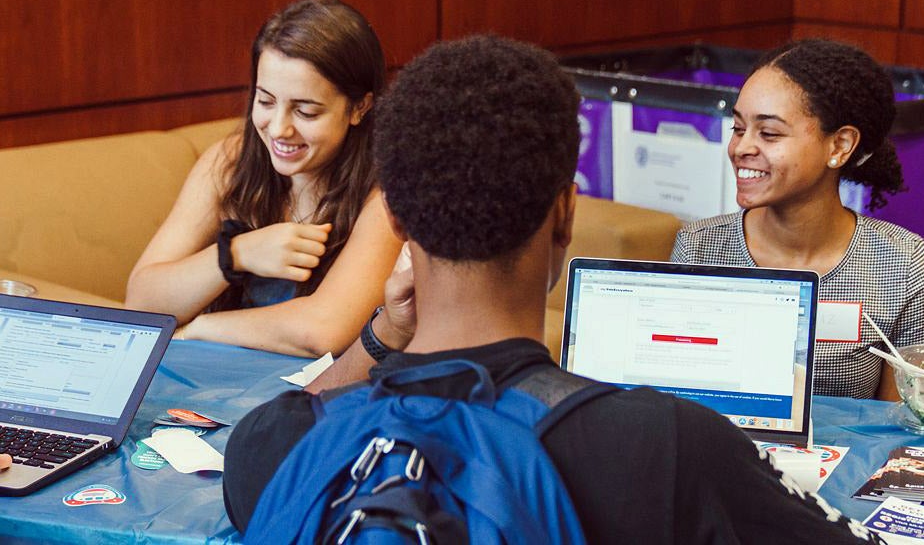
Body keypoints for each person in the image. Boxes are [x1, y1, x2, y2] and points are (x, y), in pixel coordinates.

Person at [223, 35, 881, 543]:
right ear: (565, 214)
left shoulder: (270, 448)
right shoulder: (669, 447)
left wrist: (377, 337)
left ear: (394, 218)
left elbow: (295, 415)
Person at [125, 0, 402, 357]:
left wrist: (202, 328)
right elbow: (140, 301)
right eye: (266, 101)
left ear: (359, 107)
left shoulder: (384, 192)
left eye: (305, 111)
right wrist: (234, 255)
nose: (279, 129)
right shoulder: (230, 161)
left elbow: (323, 330)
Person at [671, 38, 924, 400]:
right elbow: (681, 396)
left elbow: (898, 426)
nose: (741, 148)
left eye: (769, 133)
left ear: (839, 146)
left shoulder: (904, 266)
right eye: (738, 129)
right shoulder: (699, 246)